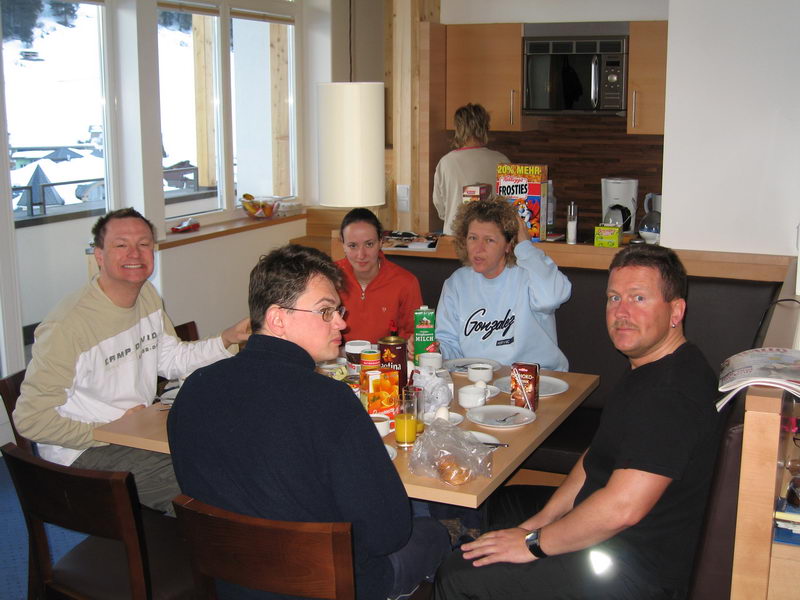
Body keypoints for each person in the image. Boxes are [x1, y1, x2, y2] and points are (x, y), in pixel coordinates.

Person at [435, 244, 723, 600]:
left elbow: (622, 510)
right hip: (610, 529)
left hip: (632, 567)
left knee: (457, 576)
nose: (622, 312)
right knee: (492, 507)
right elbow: (595, 459)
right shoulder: (652, 367)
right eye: (614, 298)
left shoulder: (671, 393)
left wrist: (532, 544)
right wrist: (540, 521)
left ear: (675, 310)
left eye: (638, 298)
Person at [168, 244, 449, 600]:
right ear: (278, 319)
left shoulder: (195, 388)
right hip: (332, 586)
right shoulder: (329, 401)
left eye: (338, 311)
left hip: (229, 583)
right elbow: (387, 535)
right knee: (434, 531)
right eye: (326, 311)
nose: (342, 323)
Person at [13, 208, 249, 514]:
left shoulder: (146, 294)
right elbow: (31, 420)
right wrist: (109, 430)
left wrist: (227, 338)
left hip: (135, 433)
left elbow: (170, 358)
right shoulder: (67, 327)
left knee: (236, 454)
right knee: (210, 487)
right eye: (121, 244)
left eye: (143, 244)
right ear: (99, 255)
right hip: (83, 453)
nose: (134, 253)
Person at [435, 198, 571, 371]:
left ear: (508, 245)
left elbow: (552, 298)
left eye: (489, 240)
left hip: (535, 377)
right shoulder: (456, 283)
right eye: (473, 238)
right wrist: (436, 350)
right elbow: (449, 345)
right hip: (479, 380)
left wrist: (525, 246)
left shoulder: (530, 274)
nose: (478, 248)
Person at [336, 208, 423, 344]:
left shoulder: (406, 282)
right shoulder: (329, 277)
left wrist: (414, 344)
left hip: (389, 356)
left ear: (381, 241)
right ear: (343, 244)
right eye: (352, 246)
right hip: (339, 356)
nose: (361, 255)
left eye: (369, 244)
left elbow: (417, 334)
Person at [432, 103, 509, 235]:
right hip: (491, 237)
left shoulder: (446, 162)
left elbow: (441, 208)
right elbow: (509, 207)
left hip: (455, 236)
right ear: (485, 127)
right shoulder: (502, 161)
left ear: (458, 128)